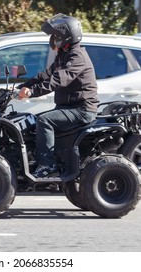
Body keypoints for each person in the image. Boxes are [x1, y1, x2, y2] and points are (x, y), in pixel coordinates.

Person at [17, 14, 99, 178]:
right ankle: (34, 159)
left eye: (55, 36)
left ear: (65, 36)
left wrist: (33, 92)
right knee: (31, 121)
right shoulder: (64, 55)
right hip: (68, 107)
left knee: (44, 120)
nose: (53, 39)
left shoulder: (77, 57)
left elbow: (58, 79)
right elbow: (46, 75)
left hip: (81, 110)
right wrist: (25, 85)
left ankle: (47, 165)